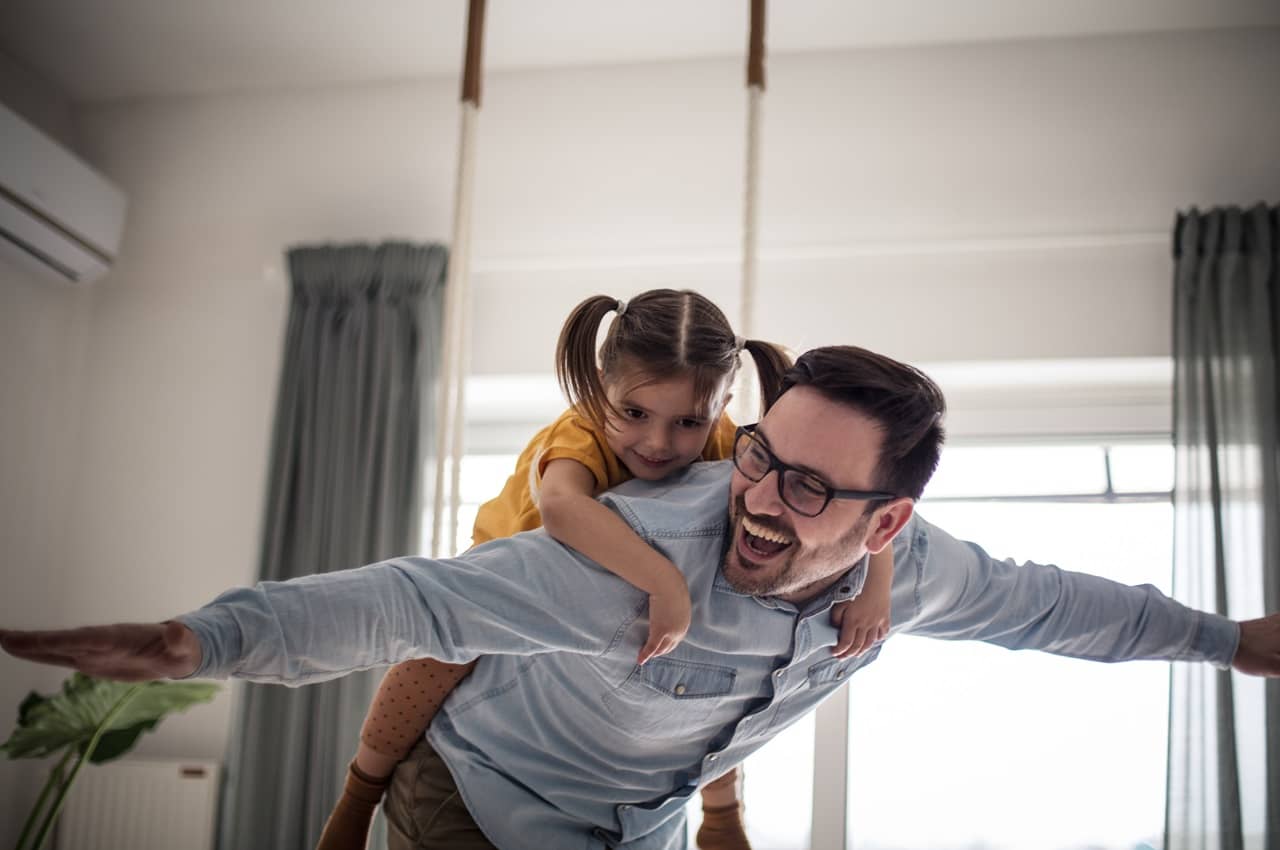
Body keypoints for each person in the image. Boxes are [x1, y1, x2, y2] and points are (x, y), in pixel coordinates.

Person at [5, 345, 1279, 850]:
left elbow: (1064, 609)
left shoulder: (919, 566)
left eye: (808, 489)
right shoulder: (626, 563)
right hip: (480, 800)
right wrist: (201, 638)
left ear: (888, 521)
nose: (758, 496)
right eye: (756, 457)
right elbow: (411, 602)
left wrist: (1229, 642)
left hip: (644, 824)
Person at [318, 289, 894, 850]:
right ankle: (358, 793)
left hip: (627, 591)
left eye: (688, 422)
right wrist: (663, 581)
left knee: (719, 668)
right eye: (635, 413)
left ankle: (720, 811)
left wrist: (874, 579)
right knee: (440, 652)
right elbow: (562, 510)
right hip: (521, 563)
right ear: (600, 390)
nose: (658, 442)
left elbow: (856, 498)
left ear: (721, 406)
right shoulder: (583, 429)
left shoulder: (731, 445)